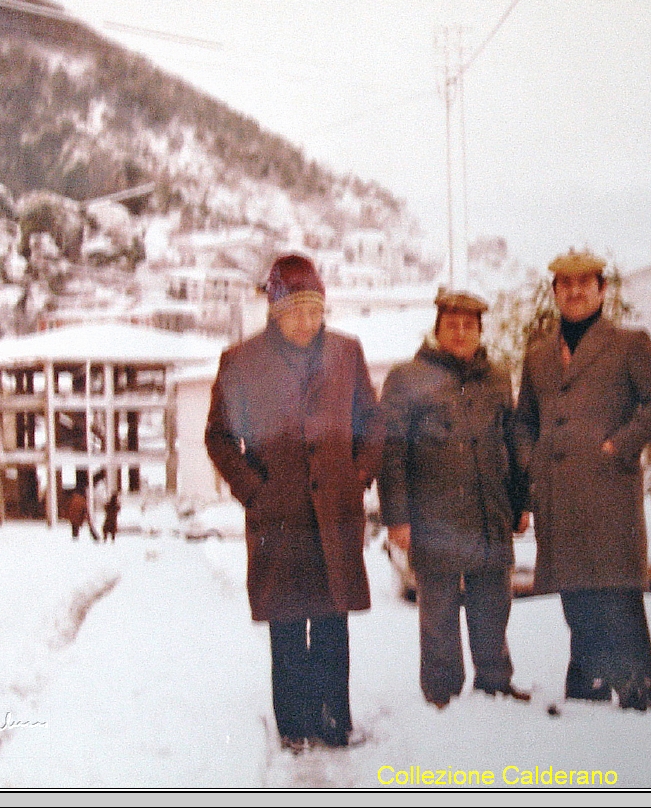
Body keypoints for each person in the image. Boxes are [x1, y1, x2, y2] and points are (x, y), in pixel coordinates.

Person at [204, 253, 379, 750]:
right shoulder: (241, 361)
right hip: (276, 517)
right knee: (286, 624)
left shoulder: (347, 354)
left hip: (333, 515)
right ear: (274, 312)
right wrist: (252, 490)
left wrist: (359, 475)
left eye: (314, 308)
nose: (306, 319)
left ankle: (336, 723)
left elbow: (373, 423)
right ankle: (294, 725)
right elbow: (218, 437)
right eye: (294, 309)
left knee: (331, 621)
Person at [514, 250, 651, 711]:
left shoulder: (629, 344)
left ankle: (636, 691)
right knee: (575, 593)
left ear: (603, 290)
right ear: (554, 293)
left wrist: (618, 445)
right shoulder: (538, 355)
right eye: (565, 284)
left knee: (617, 592)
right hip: (558, 496)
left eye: (585, 282)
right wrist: (534, 460)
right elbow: (524, 421)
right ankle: (586, 689)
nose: (575, 291)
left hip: (609, 491)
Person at [380, 289, 531, 709]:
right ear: (438, 329)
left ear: (481, 331)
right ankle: (442, 694)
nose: (460, 333)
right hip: (434, 518)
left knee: (493, 603)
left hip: (490, 512)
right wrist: (397, 518)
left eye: (469, 325)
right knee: (439, 611)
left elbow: (512, 441)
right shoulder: (406, 378)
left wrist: (521, 503)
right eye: (452, 325)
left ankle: (495, 681)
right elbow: (391, 452)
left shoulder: (497, 377)